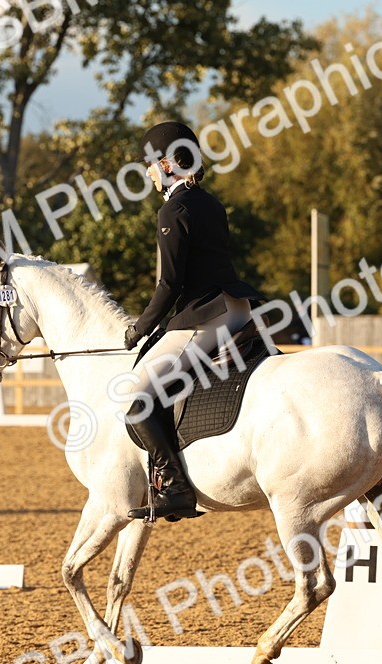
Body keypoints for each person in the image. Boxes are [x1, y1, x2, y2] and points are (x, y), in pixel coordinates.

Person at [121, 121, 264, 521]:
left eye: (150, 164)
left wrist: (140, 328)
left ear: (167, 164)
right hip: (237, 308)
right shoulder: (210, 203)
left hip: (206, 317)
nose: (148, 172)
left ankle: (176, 487)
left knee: (139, 399)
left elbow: (169, 285)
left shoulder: (174, 208)